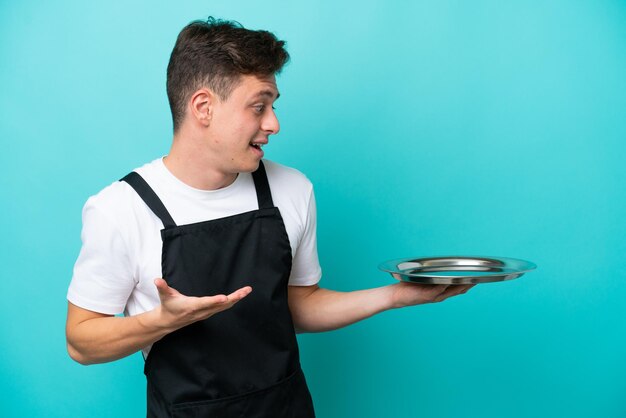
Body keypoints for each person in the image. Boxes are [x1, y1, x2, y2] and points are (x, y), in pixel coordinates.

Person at [65, 17, 474, 418]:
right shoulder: (120, 208)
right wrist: (162, 321)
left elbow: (297, 305)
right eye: (258, 106)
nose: (274, 124)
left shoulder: (291, 189)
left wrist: (396, 295)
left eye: (273, 106)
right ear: (203, 107)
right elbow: (82, 342)